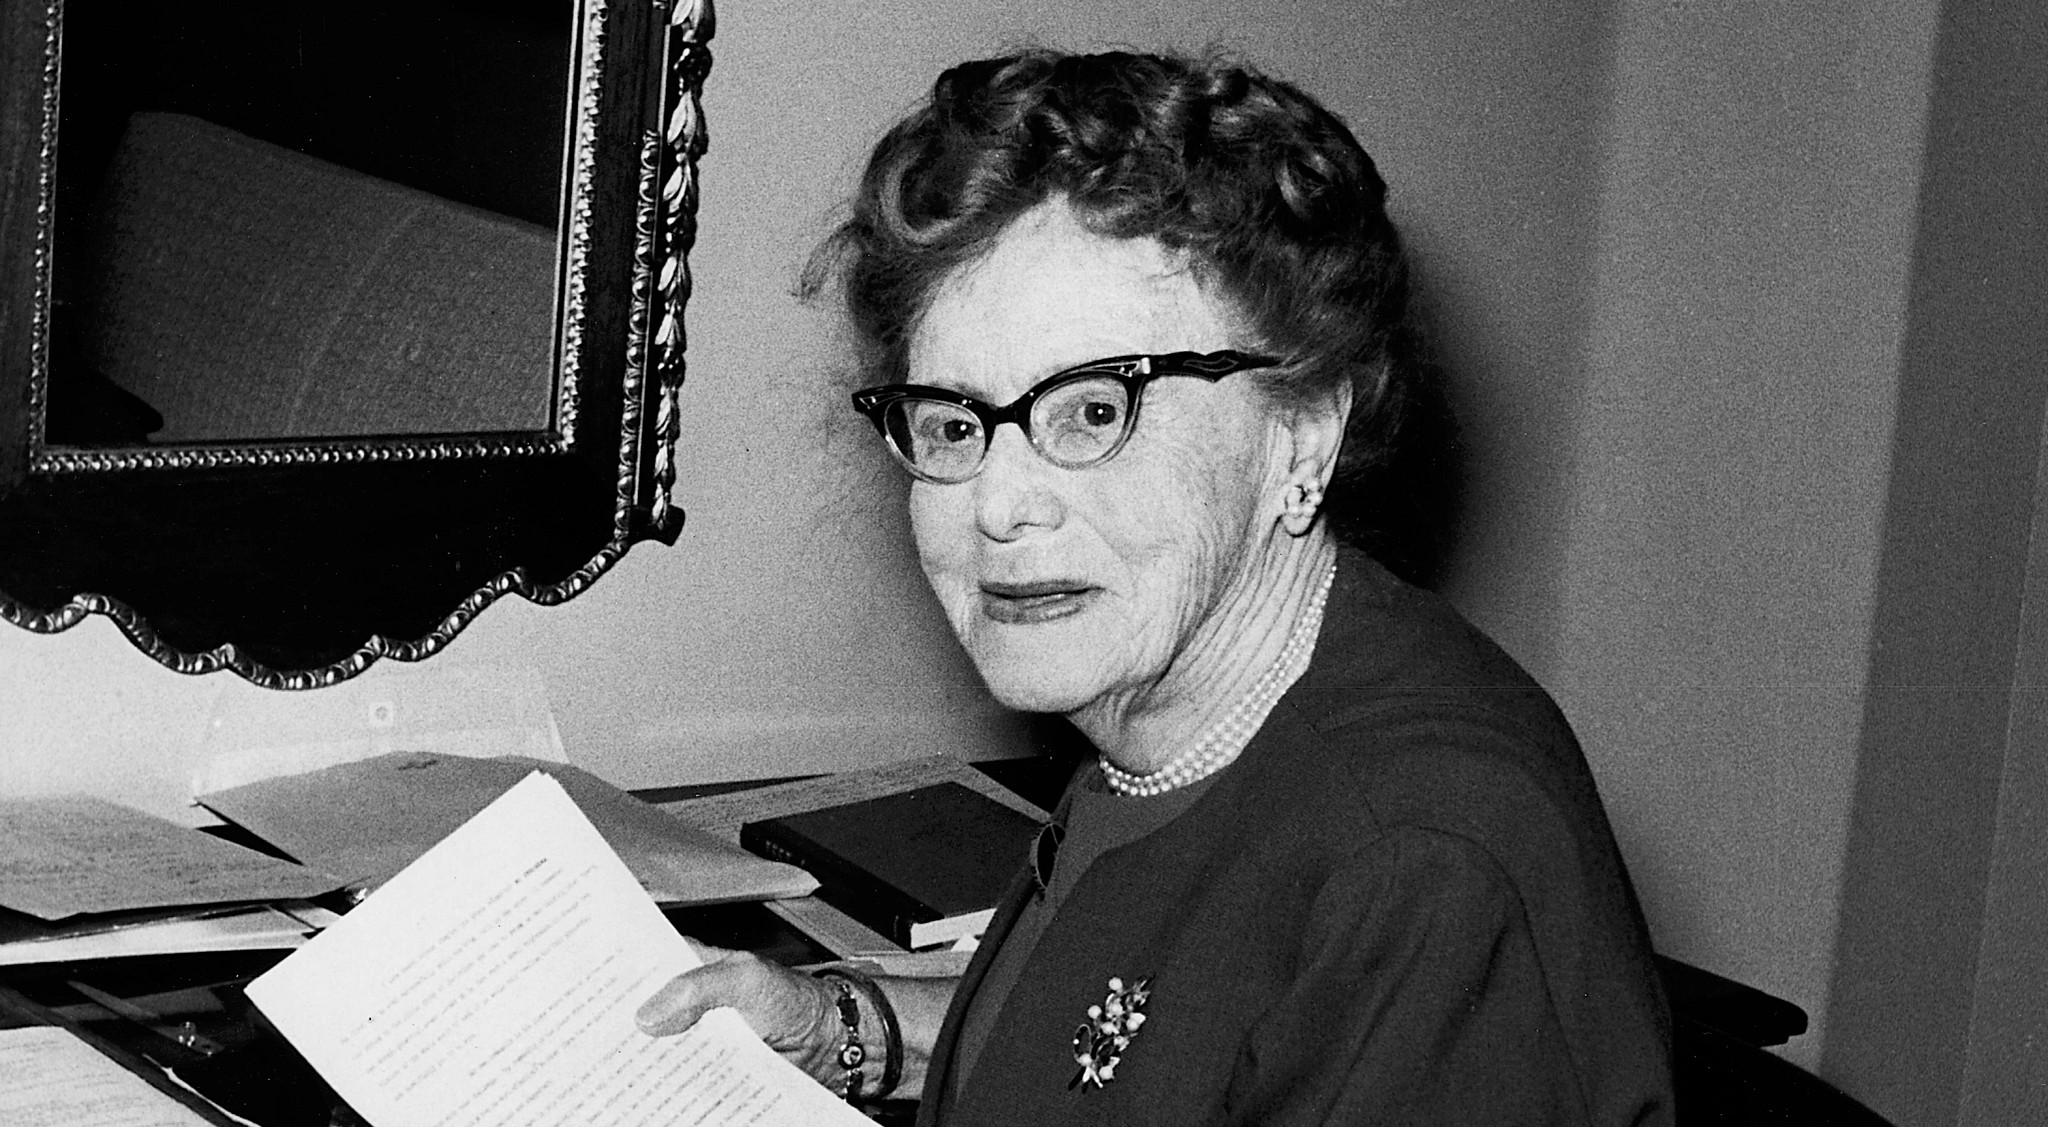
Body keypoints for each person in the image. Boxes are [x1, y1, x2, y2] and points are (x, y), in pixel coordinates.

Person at [638, 48, 1674, 1125]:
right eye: (952, 423)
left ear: (1301, 429)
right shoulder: (1184, 703)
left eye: (1091, 411)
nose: (998, 503)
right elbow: (1170, 1028)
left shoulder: (1418, 865)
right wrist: (846, 1030)